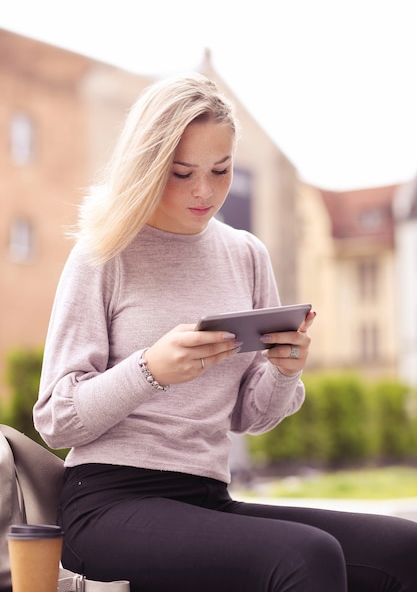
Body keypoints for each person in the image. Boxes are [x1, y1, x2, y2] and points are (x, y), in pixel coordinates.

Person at [33, 72, 417, 592]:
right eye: (183, 172)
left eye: (221, 170)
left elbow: (249, 416)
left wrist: (285, 370)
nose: (205, 191)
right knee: (306, 555)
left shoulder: (245, 254)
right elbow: (56, 421)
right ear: (148, 167)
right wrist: (150, 370)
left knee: (403, 548)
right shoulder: (105, 254)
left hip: (207, 496)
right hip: (107, 504)